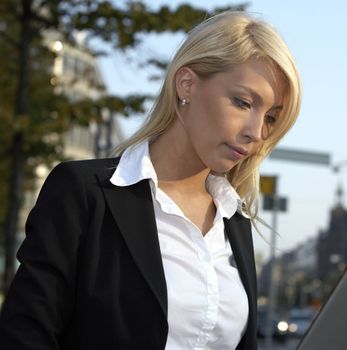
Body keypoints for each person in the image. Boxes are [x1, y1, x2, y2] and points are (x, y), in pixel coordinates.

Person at [0, 11, 301, 350]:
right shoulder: (83, 194)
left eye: (271, 118)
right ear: (186, 84)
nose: (257, 132)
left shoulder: (234, 220)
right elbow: (25, 335)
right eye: (243, 102)